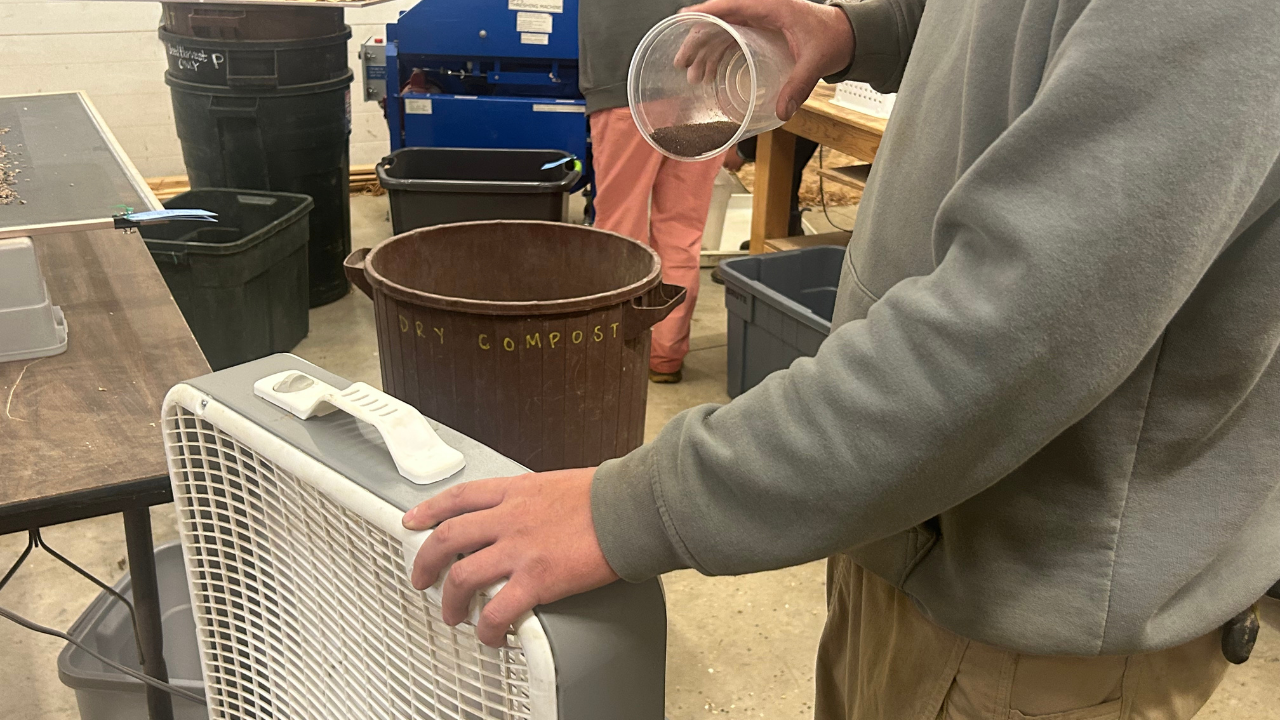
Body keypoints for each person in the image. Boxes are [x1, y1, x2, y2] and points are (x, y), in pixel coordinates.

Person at [403, 0, 1280, 717]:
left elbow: (1011, 336)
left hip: (1027, 609)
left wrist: (635, 506)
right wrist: (860, 30)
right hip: (902, 517)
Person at [579, 0, 726, 384]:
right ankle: (665, 356)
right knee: (682, 228)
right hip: (710, 80)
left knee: (620, 226)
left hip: (627, 75)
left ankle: (618, 350)